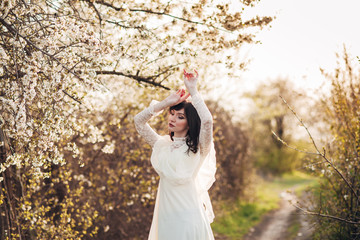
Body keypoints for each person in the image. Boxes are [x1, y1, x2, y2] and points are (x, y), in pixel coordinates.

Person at [134, 69, 216, 240]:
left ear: (189, 122)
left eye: (180, 117)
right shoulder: (161, 145)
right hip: (166, 218)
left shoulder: (199, 148)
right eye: (172, 114)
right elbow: (139, 122)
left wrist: (193, 90)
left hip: (189, 216)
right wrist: (166, 103)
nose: (172, 119)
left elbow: (207, 121)